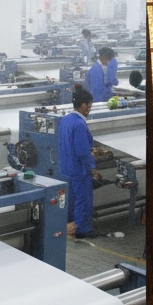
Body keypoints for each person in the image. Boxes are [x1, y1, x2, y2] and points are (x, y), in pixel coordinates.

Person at [57, 84, 102, 239]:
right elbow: (83, 151)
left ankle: (71, 223)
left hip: (66, 168)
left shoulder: (65, 120)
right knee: (82, 200)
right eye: (89, 106)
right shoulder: (79, 124)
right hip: (79, 170)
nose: (90, 109)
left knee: (70, 199)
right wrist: (92, 168)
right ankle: (83, 229)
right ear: (83, 105)